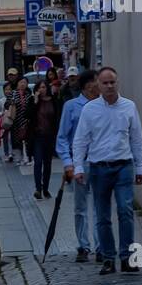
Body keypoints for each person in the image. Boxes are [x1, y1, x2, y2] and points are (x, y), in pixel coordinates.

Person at [72, 67, 142, 276]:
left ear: (118, 82)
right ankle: (107, 258)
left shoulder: (129, 107)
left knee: (125, 210)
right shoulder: (90, 109)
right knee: (102, 216)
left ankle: (127, 258)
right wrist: (78, 167)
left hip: (124, 165)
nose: (109, 86)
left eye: (112, 82)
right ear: (98, 86)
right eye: (105, 83)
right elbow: (80, 140)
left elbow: (137, 139)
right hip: (98, 167)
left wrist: (140, 167)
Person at [58, 69, 101, 263]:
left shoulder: (104, 106)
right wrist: (68, 164)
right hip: (80, 162)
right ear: (86, 86)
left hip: (101, 161)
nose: (98, 87)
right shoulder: (72, 106)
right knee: (80, 207)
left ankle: (101, 246)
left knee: (101, 206)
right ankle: (83, 246)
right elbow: (62, 138)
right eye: (95, 83)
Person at [29, 80, 60, 199]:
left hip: (49, 136)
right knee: (38, 162)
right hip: (37, 136)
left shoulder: (53, 101)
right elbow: (29, 115)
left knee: (47, 163)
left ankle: (45, 188)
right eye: (40, 87)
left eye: (44, 87)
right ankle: (38, 189)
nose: (42, 89)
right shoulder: (34, 101)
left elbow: (57, 117)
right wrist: (36, 102)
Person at [11, 77, 32, 165]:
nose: (22, 84)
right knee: (17, 140)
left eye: (24, 82)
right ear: (17, 84)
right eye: (21, 82)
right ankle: (19, 158)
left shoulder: (29, 94)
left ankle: (28, 158)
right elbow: (7, 104)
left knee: (27, 140)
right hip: (16, 121)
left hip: (27, 120)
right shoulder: (13, 94)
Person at [0, 82, 15, 163]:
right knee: (6, 138)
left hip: (13, 121)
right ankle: (6, 154)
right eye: (6, 89)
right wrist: (2, 113)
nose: (7, 91)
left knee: (12, 138)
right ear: (3, 91)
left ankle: (12, 153)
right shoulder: (1, 101)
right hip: (5, 123)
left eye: (9, 89)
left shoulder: (14, 99)